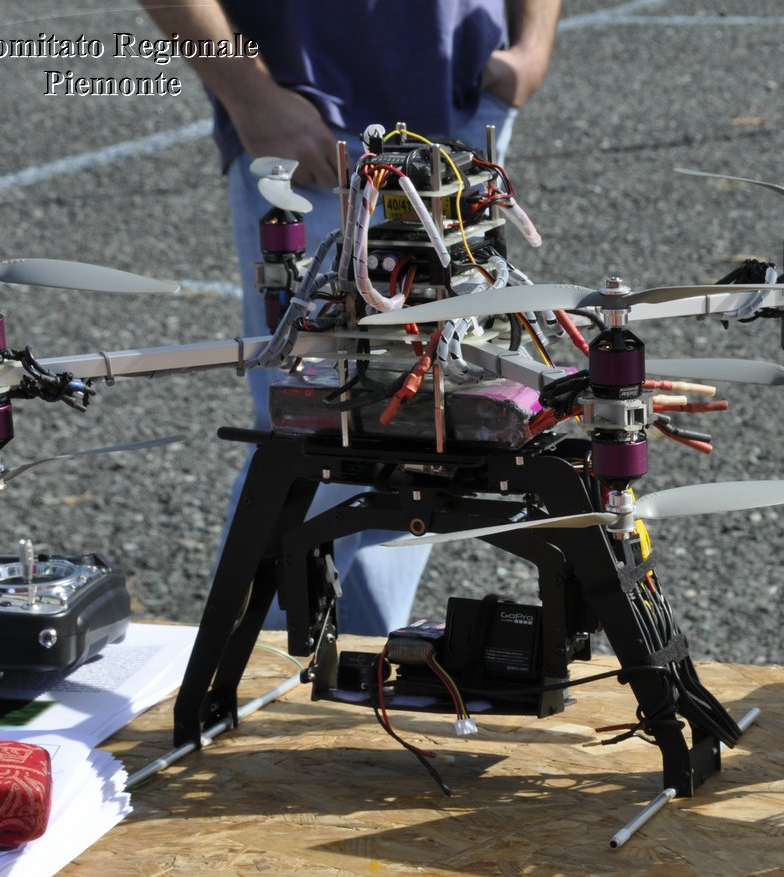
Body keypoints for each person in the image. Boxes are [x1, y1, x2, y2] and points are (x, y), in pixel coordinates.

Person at [138, 0, 561, 637]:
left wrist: (532, 45)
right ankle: (267, 681)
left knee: (430, 415)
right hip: (306, 125)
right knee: (317, 418)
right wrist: (250, 95)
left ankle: (361, 678)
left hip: (465, 110)